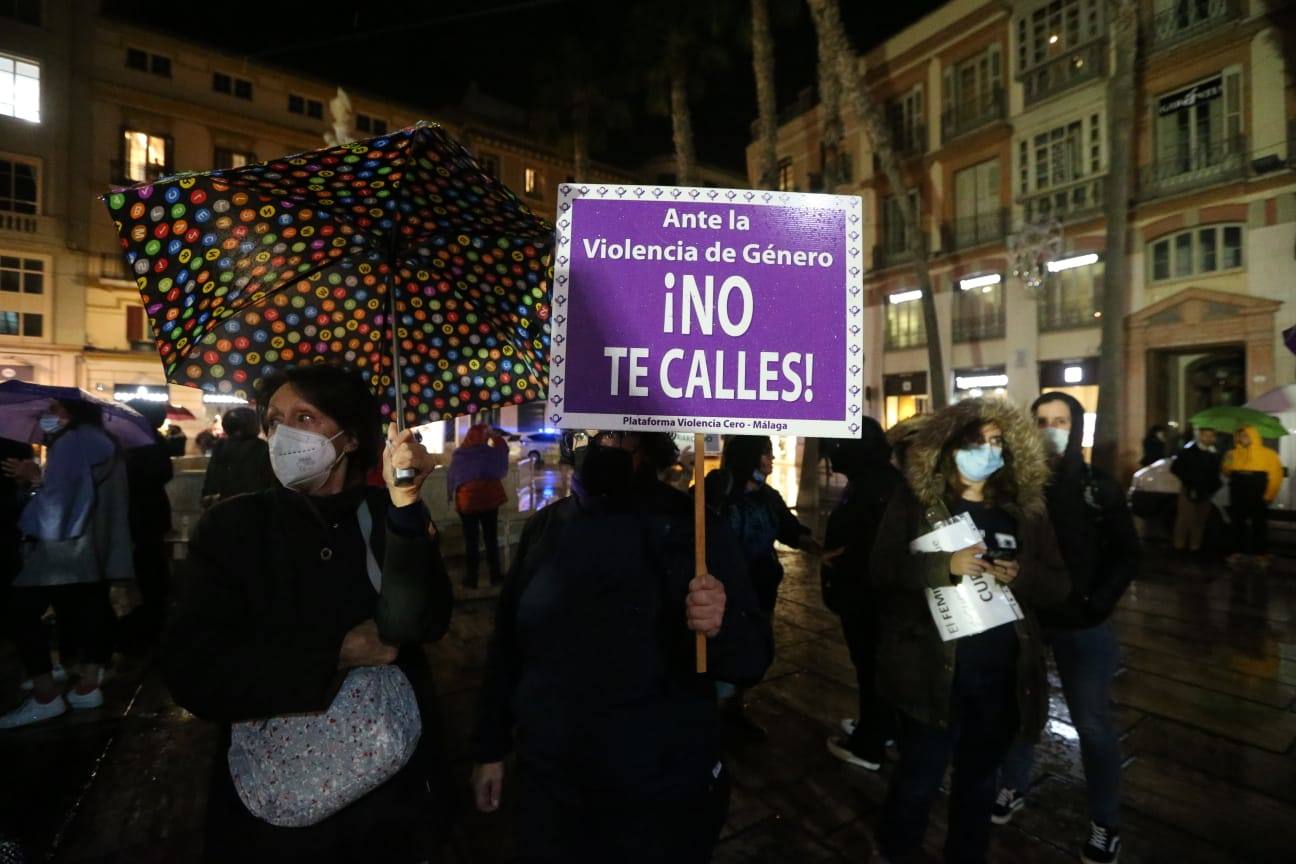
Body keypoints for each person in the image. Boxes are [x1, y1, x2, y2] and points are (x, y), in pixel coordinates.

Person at [160, 364, 453, 863]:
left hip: (390, 802)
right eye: (274, 420)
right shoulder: (234, 527)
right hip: (277, 814)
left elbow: (423, 624)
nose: (284, 434)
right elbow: (195, 674)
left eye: (305, 417)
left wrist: (405, 506)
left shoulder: (389, 514)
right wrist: (335, 652)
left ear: (350, 437)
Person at [469, 430, 772, 863]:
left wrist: (720, 625)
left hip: (659, 796)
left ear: (646, 441)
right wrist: (490, 749)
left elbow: (753, 657)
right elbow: (508, 647)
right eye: (585, 430)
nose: (596, 442)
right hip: (552, 790)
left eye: (612, 433)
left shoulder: (696, 529)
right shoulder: (545, 528)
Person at [870, 398, 1069, 864]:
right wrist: (944, 565)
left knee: (979, 784)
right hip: (931, 676)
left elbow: (1059, 584)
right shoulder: (916, 504)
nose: (988, 451)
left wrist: (1022, 575)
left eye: (997, 442)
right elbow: (882, 570)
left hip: (1000, 680)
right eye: (976, 442)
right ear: (950, 447)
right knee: (918, 779)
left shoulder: (1024, 511)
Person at [994, 392, 1141, 864]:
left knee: (1092, 723)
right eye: (1041, 421)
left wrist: (1097, 603)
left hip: (1083, 626)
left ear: (1077, 427)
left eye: (1060, 421)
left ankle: (1104, 822)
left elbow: (1128, 553)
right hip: (1029, 621)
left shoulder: (1097, 487)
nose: (1050, 430)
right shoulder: (1019, 486)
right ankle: (1012, 785)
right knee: (1020, 710)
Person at [0, 398, 133, 729]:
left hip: (62, 549)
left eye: (55, 409)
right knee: (90, 609)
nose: (48, 415)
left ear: (73, 412)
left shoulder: (72, 443)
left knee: (20, 611)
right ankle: (88, 685)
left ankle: (45, 695)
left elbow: (59, 503)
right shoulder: (101, 441)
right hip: (90, 547)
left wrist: (34, 481)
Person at [705, 435, 819, 736]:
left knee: (752, 652)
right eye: (765, 453)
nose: (771, 459)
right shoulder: (719, 492)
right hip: (726, 594)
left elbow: (790, 530)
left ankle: (733, 710)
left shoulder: (768, 496)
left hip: (761, 591)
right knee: (723, 655)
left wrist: (820, 550)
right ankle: (711, 721)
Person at [821, 418, 902, 771]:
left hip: (869, 598)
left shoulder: (876, 485)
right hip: (863, 595)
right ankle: (878, 725)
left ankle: (870, 742)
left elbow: (877, 546)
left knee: (872, 668)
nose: (832, 453)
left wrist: (844, 559)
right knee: (871, 667)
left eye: (838, 445)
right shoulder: (871, 480)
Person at [122, 400, 173, 645]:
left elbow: (155, 474)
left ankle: (147, 629)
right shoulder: (152, 439)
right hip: (150, 514)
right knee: (151, 570)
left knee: (147, 573)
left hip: (142, 516)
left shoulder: (144, 442)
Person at [447, 423, 509, 588]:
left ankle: (471, 579)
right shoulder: (491, 453)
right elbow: (503, 449)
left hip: (467, 504)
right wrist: (494, 435)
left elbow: (452, 476)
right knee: (491, 540)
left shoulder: (460, 454)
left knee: (471, 542)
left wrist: (451, 496)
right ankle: (495, 576)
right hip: (489, 503)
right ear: (484, 437)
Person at [1222, 425, 1283, 566]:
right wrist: (1227, 461)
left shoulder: (1269, 454)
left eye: (1245, 435)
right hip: (1237, 495)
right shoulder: (1232, 453)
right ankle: (1238, 552)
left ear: (1253, 436)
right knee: (1237, 524)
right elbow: (1226, 472)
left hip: (1258, 495)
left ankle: (1260, 554)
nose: (1242, 438)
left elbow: (1276, 476)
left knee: (1259, 525)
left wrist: (1269, 495)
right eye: (1240, 435)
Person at [200, 406, 275, 504]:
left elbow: (212, 476)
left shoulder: (221, 446)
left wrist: (207, 496)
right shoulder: (262, 447)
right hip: (256, 504)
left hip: (225, 504)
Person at [1170, 426, 1222, 553]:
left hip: (1206, 491)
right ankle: (1179, 546)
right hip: (1189, 489)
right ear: (1200, 436)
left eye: (1211, 436)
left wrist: (1214, 486)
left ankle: (1195, 546)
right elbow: (1175, 468)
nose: (1209, 438)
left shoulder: (1214, 454)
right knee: (1185, 519)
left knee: (1200, 520)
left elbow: (1215, 473)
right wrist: (1189, 481)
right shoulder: (1188, 451)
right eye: (1206, 435)